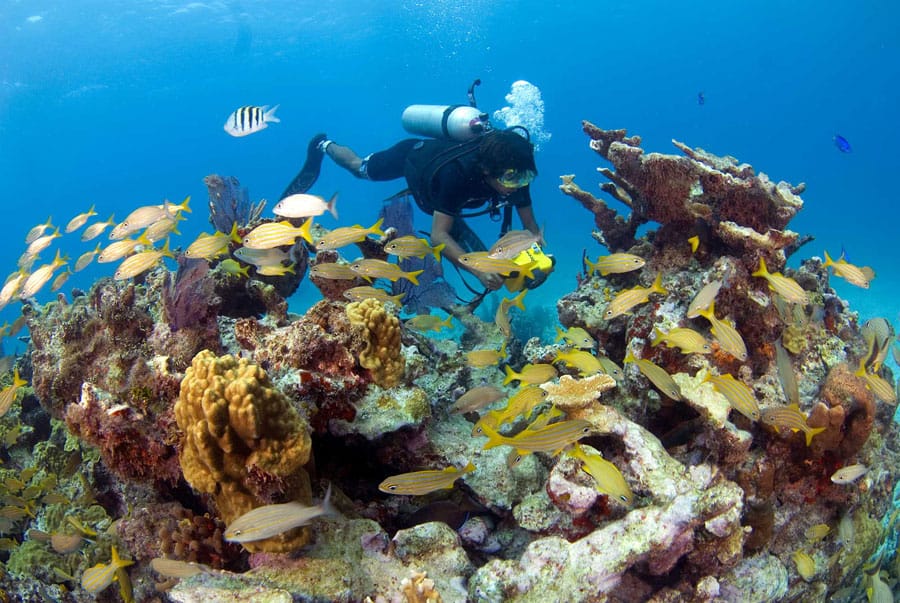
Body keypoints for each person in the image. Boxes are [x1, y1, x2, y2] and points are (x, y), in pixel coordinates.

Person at [298, 130, 547, 290]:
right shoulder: (457, 176)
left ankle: (454, 218)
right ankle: (324, 145)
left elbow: (531, 228)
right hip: (413, 158)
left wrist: (539, 256)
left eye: (525, 179)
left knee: (455, 219)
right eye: (511, 180)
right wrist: (479, 272)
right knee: (359, 168)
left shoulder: (516, 175)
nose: (517, 187)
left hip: (448, 191)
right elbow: (439, 236)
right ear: (486, 171)